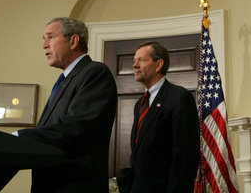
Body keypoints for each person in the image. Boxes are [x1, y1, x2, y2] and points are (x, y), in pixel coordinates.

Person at [16, 17, 117, 192]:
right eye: (44, 39)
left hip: (76, 186)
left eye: (50, 37)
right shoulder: (64, 80)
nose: (44, 45)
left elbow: (75, 127)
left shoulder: (95, 73)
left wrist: (20, 137)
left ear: (73, 41)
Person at [117, 41, 200, 193]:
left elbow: (185, 159)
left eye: (141, 60)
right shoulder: (140, 104)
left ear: (158, 64)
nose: (134, 65)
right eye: (134, 61)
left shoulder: (179, 97)